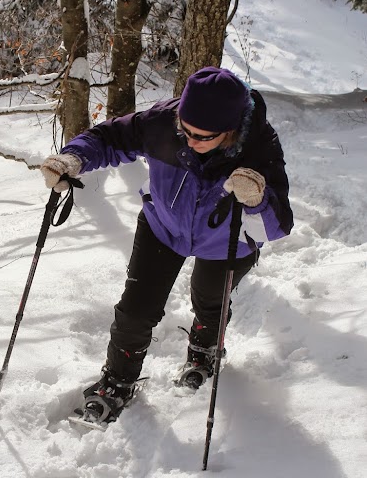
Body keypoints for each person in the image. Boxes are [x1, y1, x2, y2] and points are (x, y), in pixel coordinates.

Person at [40, 67, 293, 426]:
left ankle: (204, 351)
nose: (189, 140)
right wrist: (73, 158)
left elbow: (279, 224)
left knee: (209, 298)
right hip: (164, 225)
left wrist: (257, 199)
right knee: (136, 308)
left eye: (202, 136)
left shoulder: (259, 147)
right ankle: (117, 382)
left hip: (226, 242)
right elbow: (110, 137)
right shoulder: (163, 121)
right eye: (184, 130)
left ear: (230, 130)